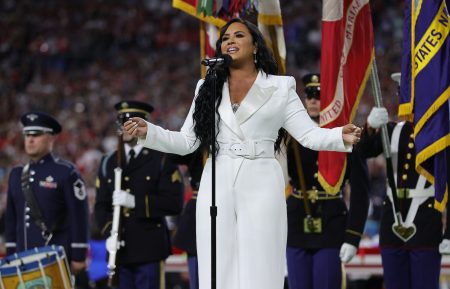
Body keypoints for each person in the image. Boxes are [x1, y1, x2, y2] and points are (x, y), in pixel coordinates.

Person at [123, 18, 361, 289]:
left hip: (261, 177)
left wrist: (338, 135)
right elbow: (188, 142)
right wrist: (149, 132)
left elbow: (308, 135)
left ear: (256, 45)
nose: (230, 41)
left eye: (238, 36)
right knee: (216, 263)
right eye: (225, 38)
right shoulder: (208, 86)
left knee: (260, 262)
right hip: (217, 178)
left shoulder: (280, 87)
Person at [360, 72, 450, 289]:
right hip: (392, 223)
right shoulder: (390, 130)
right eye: (403, 94)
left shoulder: (440, 135)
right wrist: (370, 128)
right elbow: (363, 152)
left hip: (426, 222)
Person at [285, 73, 369, 289]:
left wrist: (353, 236)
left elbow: (360, 192)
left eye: (319, 95)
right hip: (296, 222)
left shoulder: (346, 134)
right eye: (309, 95)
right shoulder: (288, 135)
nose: (313, 100)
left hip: (331, 222)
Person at [94, 100, 184, 289]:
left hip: (149, 248)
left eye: (131, 124)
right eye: (122, 124)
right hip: (119, 250)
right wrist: (109, 231)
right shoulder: (108, 161)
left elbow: (174, 203)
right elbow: (101, 205)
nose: (125, 129)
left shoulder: (161, 158)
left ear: (143, 126)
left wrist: (136, 202)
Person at [5, 111, 89, 275]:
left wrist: (79, 255)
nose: (30, 139)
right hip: (22, 260)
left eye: (36, 134)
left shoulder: (66, 172)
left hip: (55, 259)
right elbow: (11, 219)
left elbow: (79, 215)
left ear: (51, 138)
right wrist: (10, 254)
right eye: (27, 134)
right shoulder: (16, 174)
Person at [172, 149, 206, 289]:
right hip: (198, 206)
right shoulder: (199, 146)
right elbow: (174, 155)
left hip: (226, 206)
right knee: (197, 279)